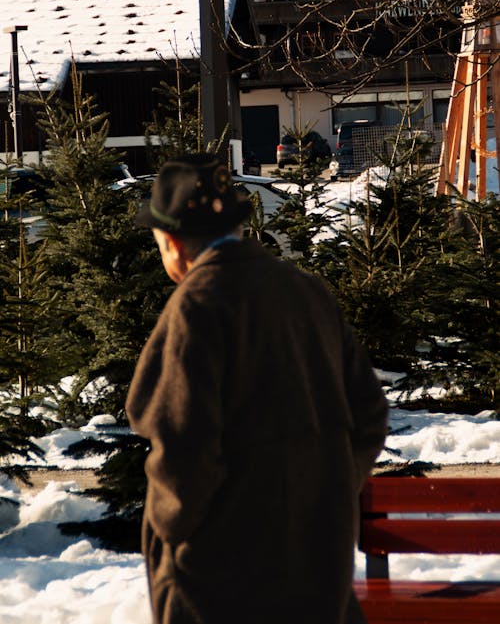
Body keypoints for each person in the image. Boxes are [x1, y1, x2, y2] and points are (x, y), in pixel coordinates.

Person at [126, 153, 388, 624]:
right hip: (317, 566)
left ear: (172, 242)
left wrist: (171, 527)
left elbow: (185, 447)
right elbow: (368, 414)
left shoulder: (196, 307)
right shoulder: (307, 292)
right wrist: (324, 492)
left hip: (219, 578)